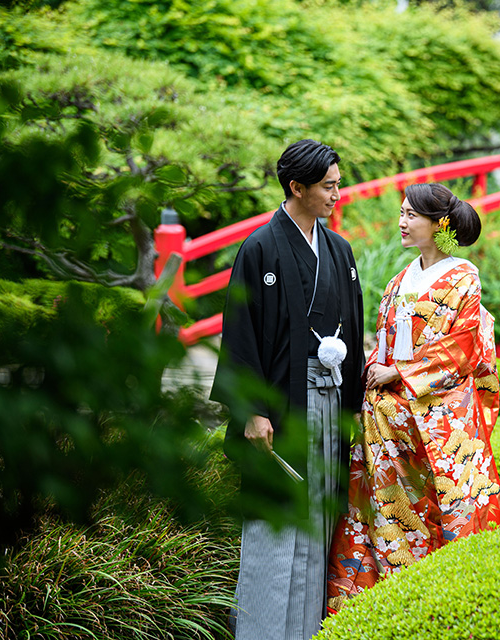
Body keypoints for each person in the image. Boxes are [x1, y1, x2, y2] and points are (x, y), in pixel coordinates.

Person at [325, 182, 500, 611]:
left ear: (439, 224)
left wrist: (400, 372)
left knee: (445, 507)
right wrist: (374, 369)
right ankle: (376, 605)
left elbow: (463, 347)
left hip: (438, 416)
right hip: (389, 413)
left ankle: (441, 604)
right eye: (402, 213)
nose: (402, 222)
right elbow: (385, 342)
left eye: (412, 215)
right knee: (378, 508)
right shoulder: (401, 277)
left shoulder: (463, 277)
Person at [209, 139, 365, 639]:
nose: (337, 194)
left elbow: (355, 331)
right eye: (328, 186)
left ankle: (309, 631)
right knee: (275, 519)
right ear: (297, 187)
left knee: (319, 515)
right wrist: (253, 411)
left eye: (338, 184)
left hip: (330, 399)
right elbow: (240, 334)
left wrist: (356, 405)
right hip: (280, 404)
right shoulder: (259, 248)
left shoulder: (339, 250)